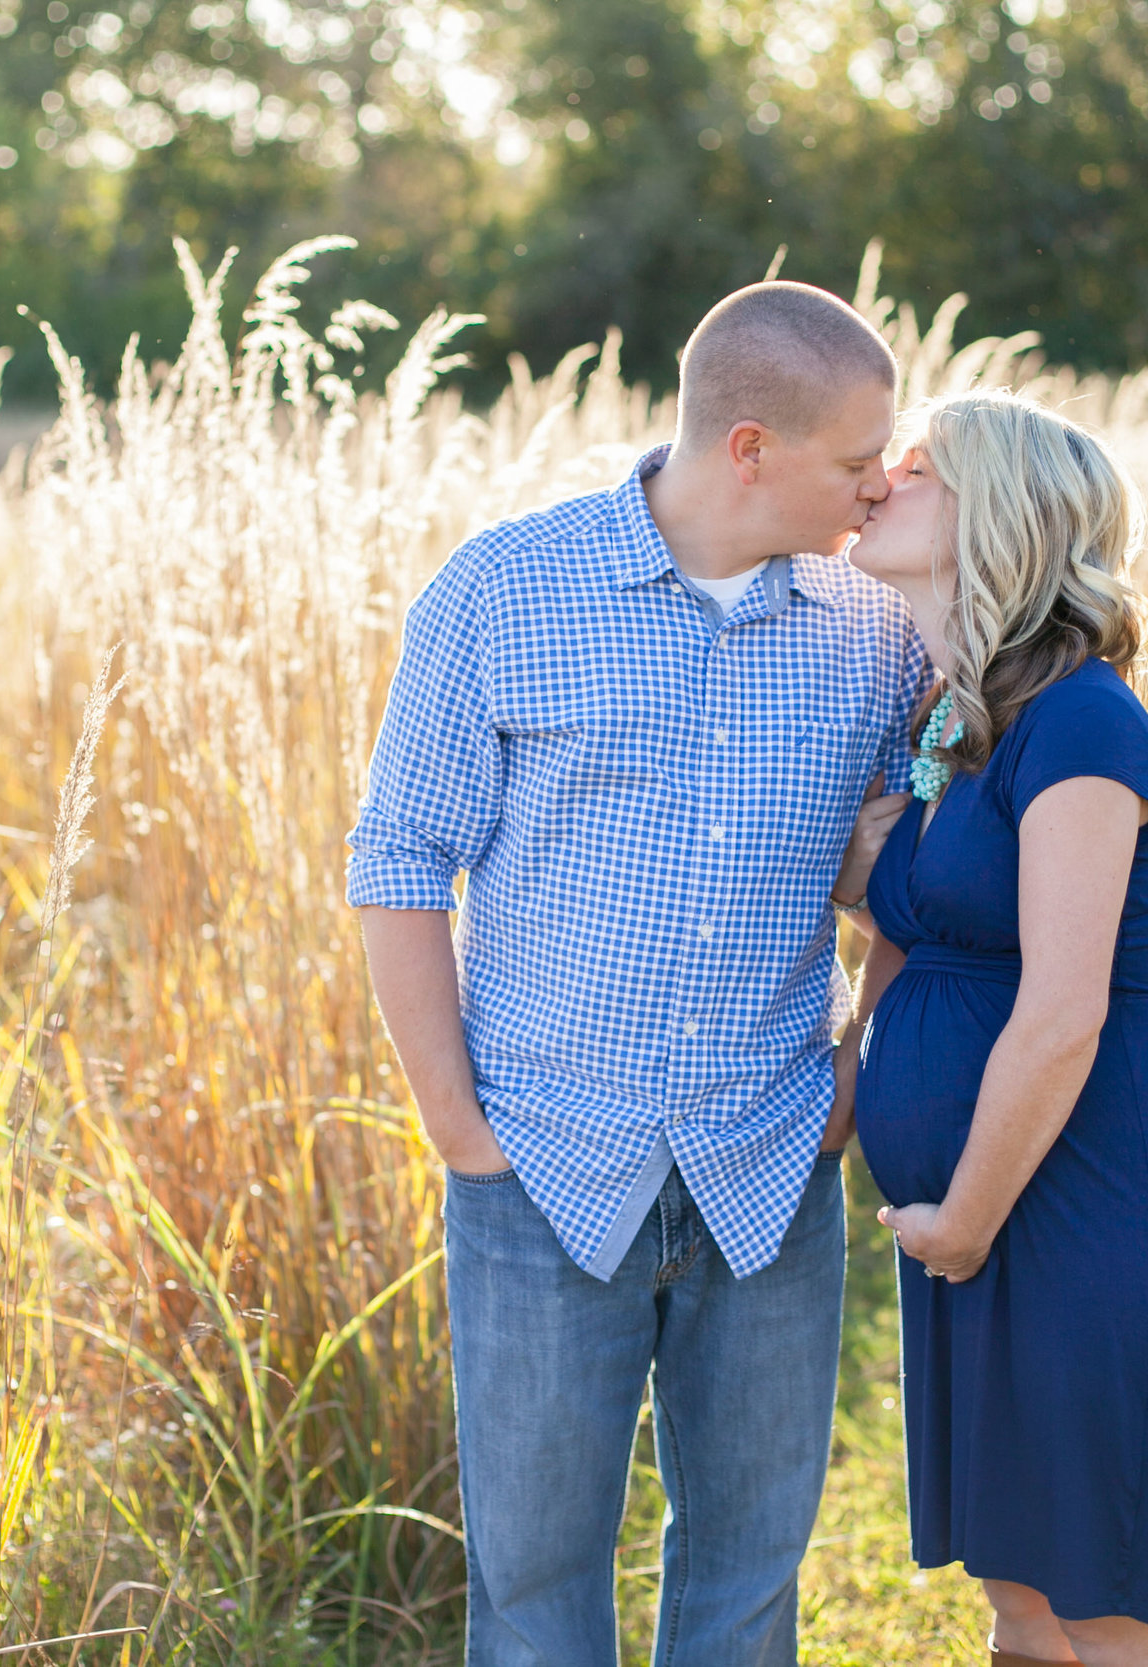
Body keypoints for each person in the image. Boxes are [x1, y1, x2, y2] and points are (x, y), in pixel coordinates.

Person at [345, 280, 924, 1667]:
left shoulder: (878, 627)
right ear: (749, 448)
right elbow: (398, 858)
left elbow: (916, 861)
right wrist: (456, 1126)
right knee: (537, 1602)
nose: (881, 485)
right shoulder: (503, 590)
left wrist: (857, 1055)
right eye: (857, 461)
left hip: (770, 1164)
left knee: (745, 1582)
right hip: (538, 1167)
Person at [838, 390, 1148, 1667]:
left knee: (1114, 1612)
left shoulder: (1082, 722)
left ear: (993, 509)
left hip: (1088, 1208)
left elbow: (1063, 1007)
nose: (879, 475)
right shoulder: (951, 725)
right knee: (1024, 1594)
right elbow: (902, 937)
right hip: (987, 1211)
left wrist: (957, 1217)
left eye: (916, 462)